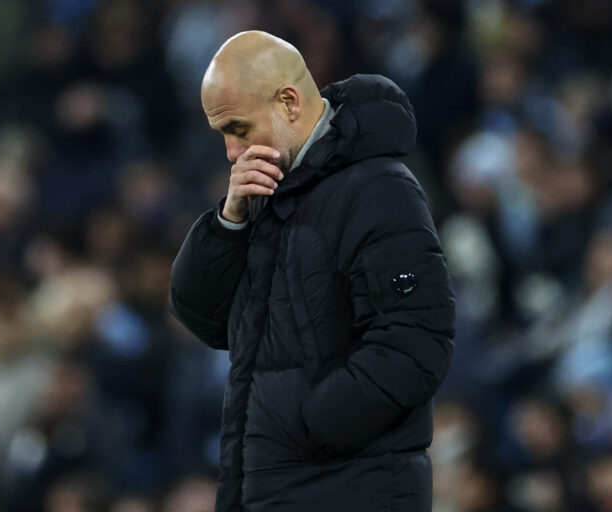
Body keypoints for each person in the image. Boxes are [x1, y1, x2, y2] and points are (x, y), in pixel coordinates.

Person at [169, 31, 455, 512]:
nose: (231, 152)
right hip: (272, 487)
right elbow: (203, 318)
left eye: (239, 128)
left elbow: (417, 341)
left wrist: (312, 425)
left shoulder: (379, 188)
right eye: (222, 134)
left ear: (288, 102)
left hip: (349, 487)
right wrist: (229, 220)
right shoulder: (264, 196)